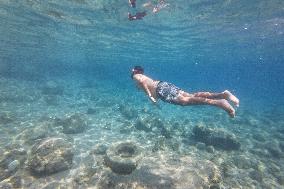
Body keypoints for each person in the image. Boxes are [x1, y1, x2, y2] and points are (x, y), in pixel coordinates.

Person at [131, 66, 239, 118]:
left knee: (184, 101)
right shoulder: (142, 77)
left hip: (161, 90)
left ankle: (220, 102)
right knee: (191, 96)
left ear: (136, 71)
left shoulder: (137, 76)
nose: (131, 71)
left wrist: (150, 96)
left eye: (133, 70)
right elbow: (144, 83)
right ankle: (223, 94)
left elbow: (142, 81)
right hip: (163, 85)